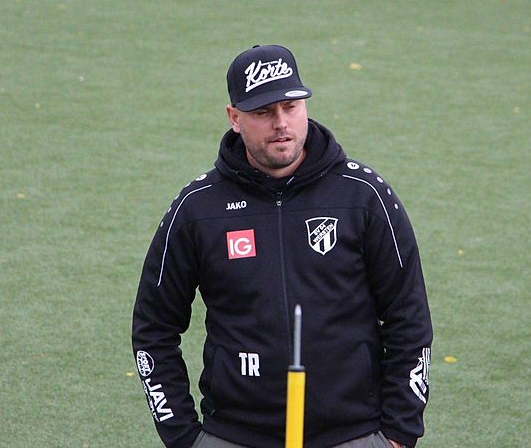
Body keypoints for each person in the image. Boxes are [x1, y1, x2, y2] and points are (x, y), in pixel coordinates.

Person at [132, 44, 433, 448]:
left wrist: (399, 432)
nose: (281, 123)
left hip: (355, 434)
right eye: (263, 112)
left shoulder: (363, 196)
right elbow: (153, 328)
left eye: (290, 107)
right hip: (234, 435)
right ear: (234, 118)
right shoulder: (197, 209)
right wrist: (184, 437)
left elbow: (409, 317)